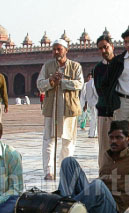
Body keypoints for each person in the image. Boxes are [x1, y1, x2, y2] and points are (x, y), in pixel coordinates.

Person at [57, 120, 129, 213]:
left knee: (98, 185)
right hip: (97, 201)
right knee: (68, 162)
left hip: (112, 210)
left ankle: (64, 210)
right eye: (111, 138)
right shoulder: (107, 155)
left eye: (118, 138)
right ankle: (63, 204)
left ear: (128, 139)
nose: (114, 141)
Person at [37, 39, 84, 180]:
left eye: (59, 49)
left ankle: (65, 170)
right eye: (54, 49)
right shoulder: (47, 66)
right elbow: (40, 84)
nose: (56, 52)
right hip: (51, 108)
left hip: (69, 109)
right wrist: (51, 81)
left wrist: (62, 82)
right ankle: (48, 171)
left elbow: (80, 84)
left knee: (68, 141)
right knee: (49, 140)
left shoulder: (75, 67)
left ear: (66, 50)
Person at [93, 35, 115, 168]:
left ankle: (124, 173)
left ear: (112, 47)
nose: (103, 51)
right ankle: (104, 172)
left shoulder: (122, 65)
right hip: (104, 111)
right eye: (100, 48)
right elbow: (99, 89)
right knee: (104, 145)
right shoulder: (98, 68)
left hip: (120, 111)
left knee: (122, 144)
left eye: (105, 47)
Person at [80, 73, 98, 138]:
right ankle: (93, 133)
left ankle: (91, 133)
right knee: (95, 119)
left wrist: (86, 103)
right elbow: (96, 93)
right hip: (95, 103)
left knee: (93, 118)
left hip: (90, 103)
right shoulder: (94, 82)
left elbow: (86, 95)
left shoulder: (88, 83)